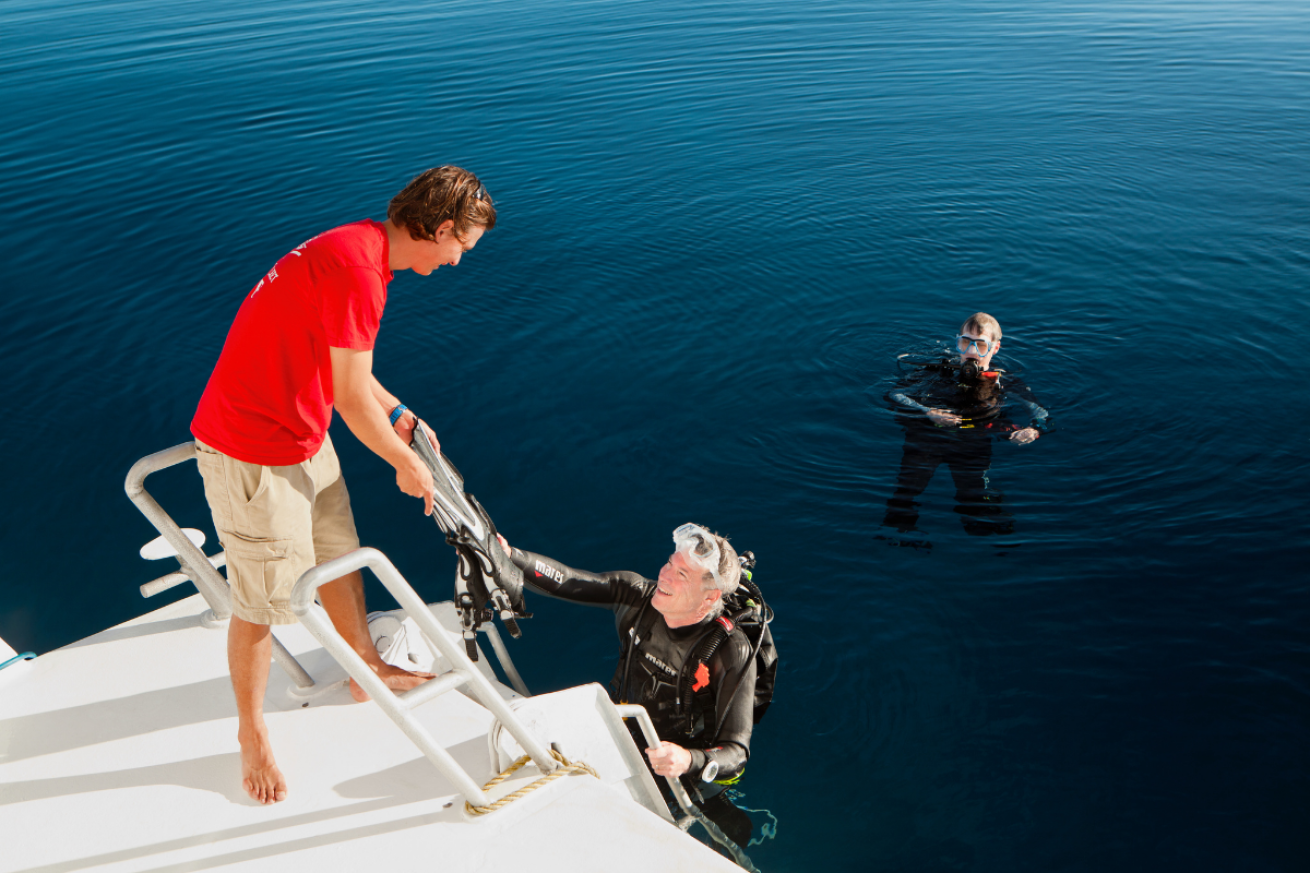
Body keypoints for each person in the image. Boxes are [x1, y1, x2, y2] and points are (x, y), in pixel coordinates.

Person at [189, 166, 496, 804]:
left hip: (301, 432)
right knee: (261, 601)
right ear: (439, 230)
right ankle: (250, 733)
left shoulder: (361, 249)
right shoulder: (359, 273)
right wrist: (403, 462)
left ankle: (365, 667)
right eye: (460, 247)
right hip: (253, 451)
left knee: (336, 553)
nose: (459, 261)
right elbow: (352, 399)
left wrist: (398, 412)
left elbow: (351, 372)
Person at [496, 524, 758, 846]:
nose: (664, 575)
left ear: (710, 597)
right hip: (620, 729)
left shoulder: (730, 651)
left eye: (682, 575)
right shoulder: (637, 597)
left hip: (677, 766)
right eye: (669, 563)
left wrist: (688, 759)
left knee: (728, 836)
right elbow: (570, 580)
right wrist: (511, 557)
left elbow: (736, 751)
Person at [882, 312, 1049, 537]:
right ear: (957, 342)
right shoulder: (940, 372)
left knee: (973, 497)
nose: (971, 352)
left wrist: (1034, 430)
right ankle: (899, 531)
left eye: (980, 345)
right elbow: (894, 394)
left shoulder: (1005, 381)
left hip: (973, 443)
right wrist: (928, 411)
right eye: (965, 343)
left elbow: (1042, 414)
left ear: (995, 348)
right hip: (928, 438)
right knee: (905, 493)